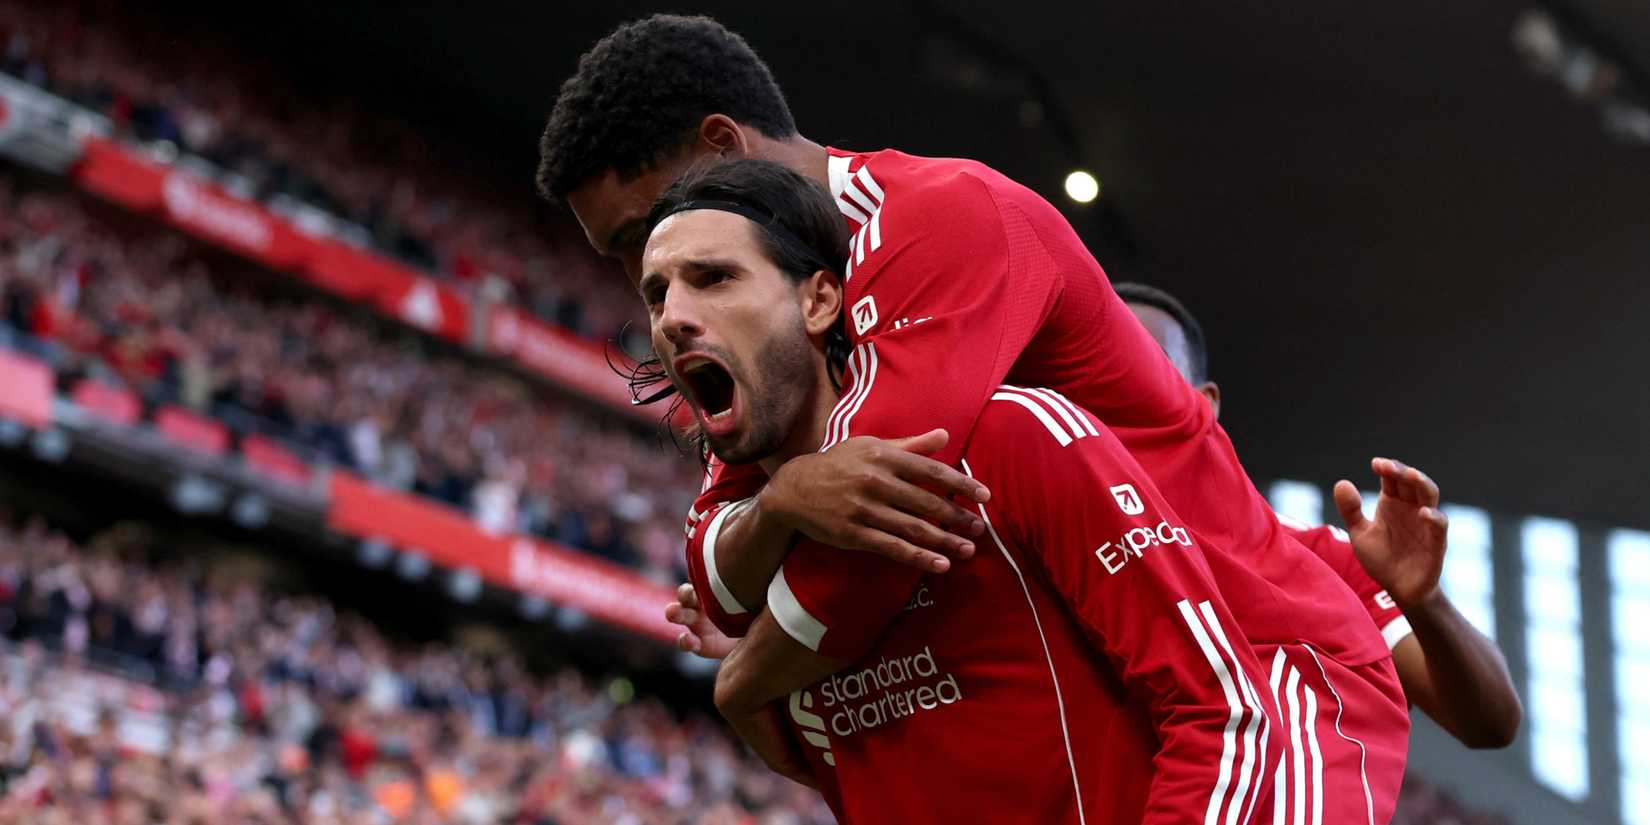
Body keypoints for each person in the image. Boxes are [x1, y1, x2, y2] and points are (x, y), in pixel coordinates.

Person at [538, 15, 1409, 822]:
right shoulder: (773, 333)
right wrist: (784, 503)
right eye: (636, 268)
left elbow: (872, 549)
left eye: (640, 231)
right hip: (1114, 689)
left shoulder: (940, 219)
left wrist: (745, 678)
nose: (652, 292)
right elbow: (720, 556)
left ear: (721, 147)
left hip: (1261, 675)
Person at [640, 157, 1281, 823]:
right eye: (657, 295)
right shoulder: (751, 579)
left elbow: (1227, 710)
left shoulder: (1016, 438)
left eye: (714, 279)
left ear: (820, 300)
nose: (674, 317)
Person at [1114, 281, 1522, 749]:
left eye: (1144, 368)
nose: (1113, 392)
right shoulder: (1024, 552)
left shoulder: (1324, 560)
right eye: (1089, 374)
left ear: (1203, 405)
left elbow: (1491, 721)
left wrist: (1425, 600)